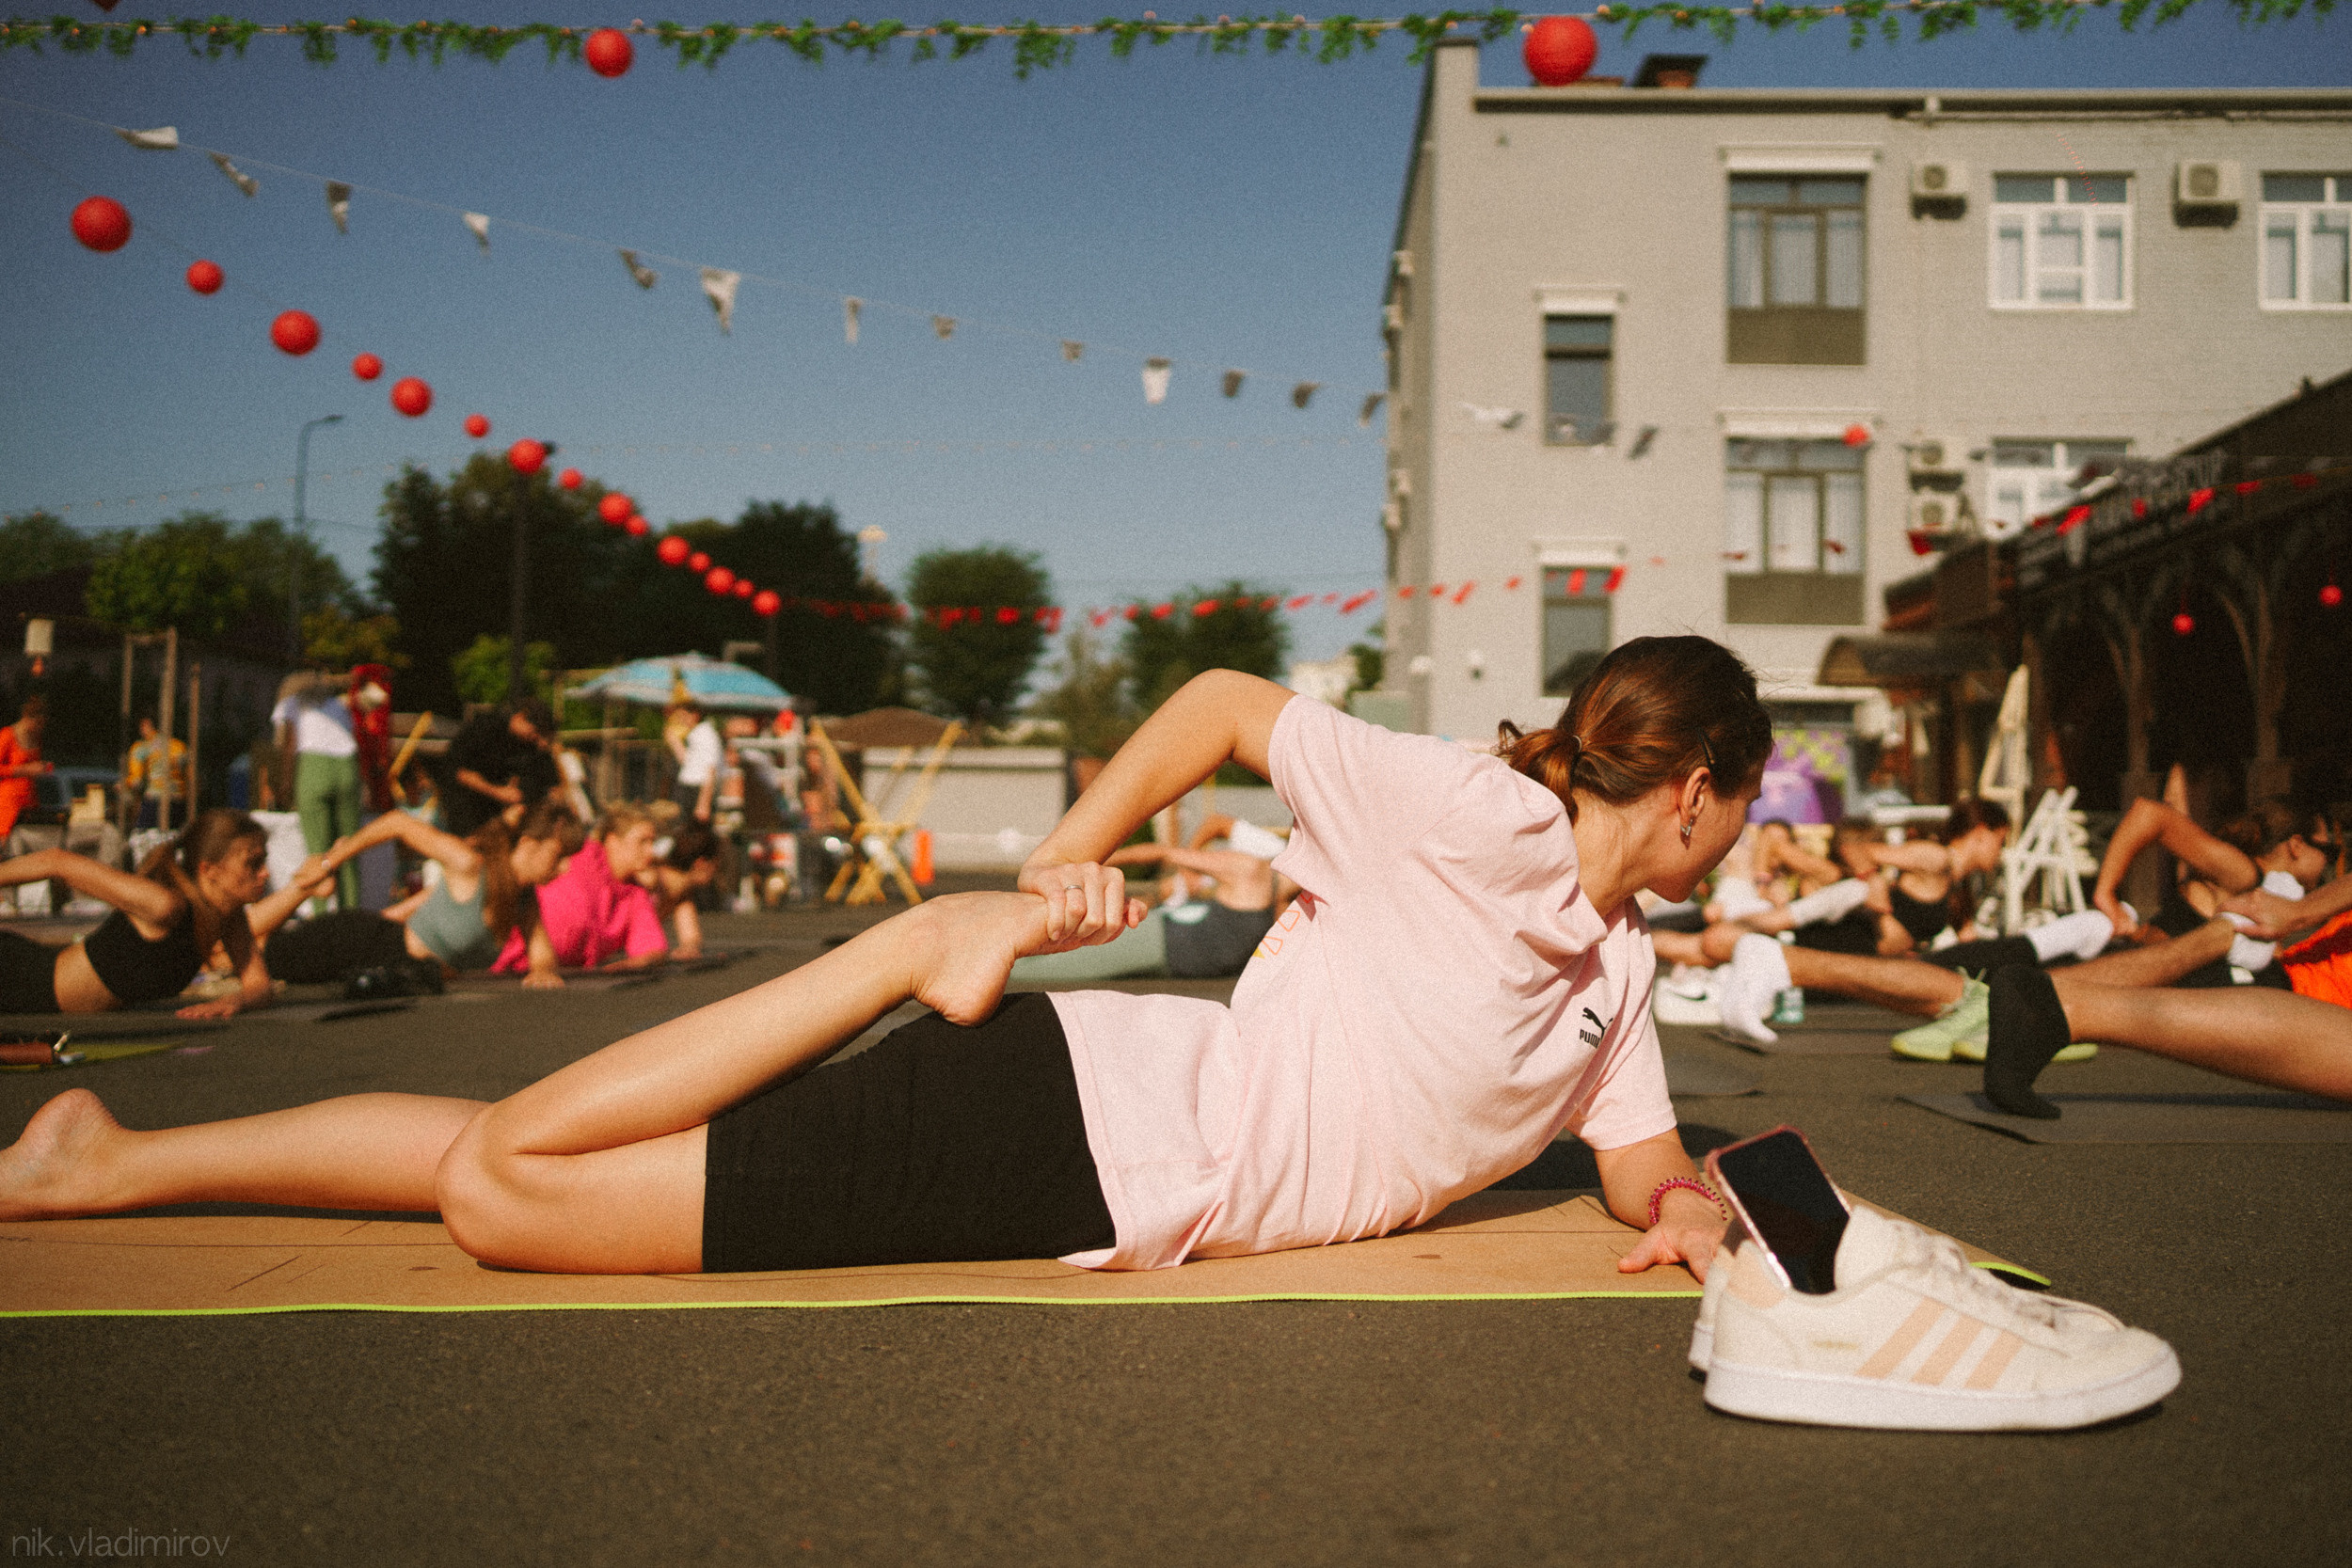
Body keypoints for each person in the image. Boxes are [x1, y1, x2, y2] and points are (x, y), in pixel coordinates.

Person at [0, 638, 1772, 1285]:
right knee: (512, 1198)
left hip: (1104, 1152)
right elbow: (1231, 705)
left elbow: (1636, 1163)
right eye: (1743, 807)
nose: (1743, 840)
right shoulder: (1479, 811)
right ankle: (916, 945)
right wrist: (1065, 855)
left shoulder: (1617, 976)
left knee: (535, 1151)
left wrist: (1688, 1208)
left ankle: (117, 1154)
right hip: (1089, 1123)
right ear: (1693, 788)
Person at [0, 809, 326, 1020]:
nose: (265, 874)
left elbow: (260, 985)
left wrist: (233, 1002)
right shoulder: (164, 905)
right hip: (19, 977)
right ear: (209, 870)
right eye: (252, 863)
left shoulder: (228, 915)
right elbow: (59, 861)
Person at [259, 800, 584, 990]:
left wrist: (542, 971)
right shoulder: (470, 864)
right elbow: (397, 823)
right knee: (255, 957)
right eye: (559, 855)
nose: (566, 868)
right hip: (363, 943)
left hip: (403, 978)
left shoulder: (524, 900)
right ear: (528, 844)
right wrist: (329, 864)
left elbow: (543, 958)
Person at [1007, 816, 1296, 982]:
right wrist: (1093, 863)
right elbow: (1164, 853)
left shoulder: (1286, 902)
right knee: (1043, 965)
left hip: (1171, 961)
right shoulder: (1253, 870)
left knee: (1053, 964)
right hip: (1162, 942)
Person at [490, 800, 669, 980]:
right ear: (613, 841)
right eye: (642, 841)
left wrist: (635, 964)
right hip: (501, 964)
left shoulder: (635, 894)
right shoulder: (579, 853)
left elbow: (652, 947)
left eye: (652, 842)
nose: (650, 851)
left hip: (550, 975)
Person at [273, 672, 364, 911]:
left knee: (317, 852)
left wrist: (285, 784)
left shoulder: (292, 703)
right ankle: (350, 915)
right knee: (347, 850)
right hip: (347, 769)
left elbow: (289, 744)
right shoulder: (339, 705)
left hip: (313, 768)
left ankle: (321, 916)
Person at [445, 701, 560, 838]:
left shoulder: (530, 747)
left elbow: (549, 784)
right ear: (520, 717)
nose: (536, 737)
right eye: (535, 730)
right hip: (469, 808)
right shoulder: (486, 728)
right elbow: (460, 772)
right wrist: (498, 792)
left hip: (508, 816)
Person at [643, 822, 723, 960]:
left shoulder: (682, 893)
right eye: (716, 863)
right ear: (701, 863)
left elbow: (690, 938)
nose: (717, 870)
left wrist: (689, 948)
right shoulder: (649, 878)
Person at [119, 714, 190, 831]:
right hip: (178, 802)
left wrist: (124, 785)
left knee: (140, 836)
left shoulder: (141, 748)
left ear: (146, 725)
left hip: (154, 801)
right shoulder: (178, 746)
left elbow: (137, 781)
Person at [0, 696, 52, 844]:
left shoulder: (36, 738)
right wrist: (24, 770)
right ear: (28, 718)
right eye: (37, 723)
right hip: (8, 806)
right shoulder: (7, 736)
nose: (39, 728)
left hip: (29, 804)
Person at [670, 701, 723, 825]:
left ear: (695, 715)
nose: (681, 720)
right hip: (689, 789)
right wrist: (674, 741)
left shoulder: (706, 735)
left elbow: (711, 769)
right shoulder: (695, 734)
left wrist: (703, 803)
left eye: (683, 716)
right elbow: (687, 762)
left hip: (698, 790)